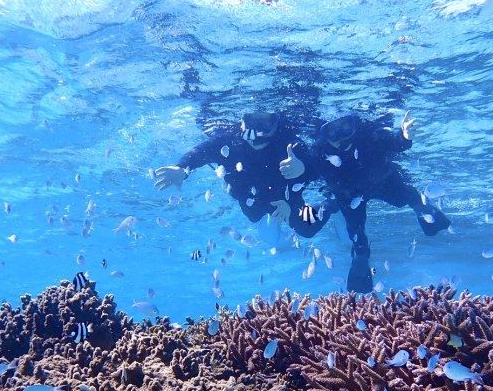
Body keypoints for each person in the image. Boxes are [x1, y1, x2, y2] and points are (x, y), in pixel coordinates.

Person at [310, 112, 450, 293]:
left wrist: (404, 136)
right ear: (323, 135)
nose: (341, 136)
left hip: (384, 182)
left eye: (345, 126)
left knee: (406, 196)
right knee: (357, 235)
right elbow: (308, 171)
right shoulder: (320, 153)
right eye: (332, 131)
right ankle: (360, 260)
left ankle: (423, 209)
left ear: (354, 125)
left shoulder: (370, 136)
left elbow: (393, 141)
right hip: (348, 196)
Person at [153, 111, 332, 239]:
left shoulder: (288, 144)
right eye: (252, 121)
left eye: (266, 122)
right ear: (242, 123)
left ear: (276, 125)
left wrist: (303, 168)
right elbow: (201, 152)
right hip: (249, 198)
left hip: (287, 199)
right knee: (254, 216)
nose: (259, 129)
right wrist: (181, 168)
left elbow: (318, 165)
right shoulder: (227, 141)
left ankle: (329, 205)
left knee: (306, 229)